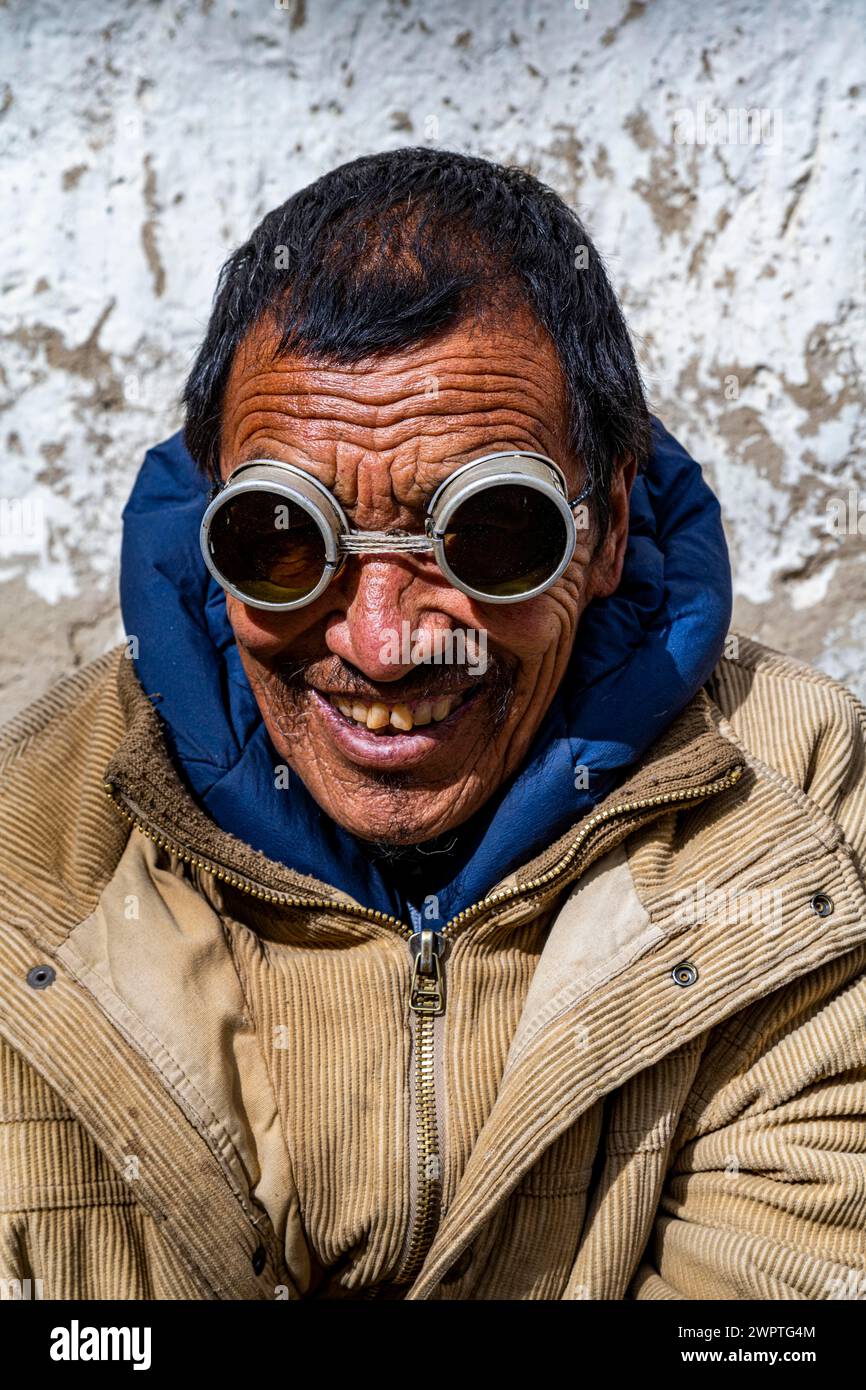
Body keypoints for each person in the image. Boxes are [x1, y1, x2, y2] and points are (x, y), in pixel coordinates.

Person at [1, 148, 864, 1301]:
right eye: (281, 538)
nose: (381, 640)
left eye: (490, 534)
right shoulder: (35, 847)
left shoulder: (789, 815)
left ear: (605, 527)